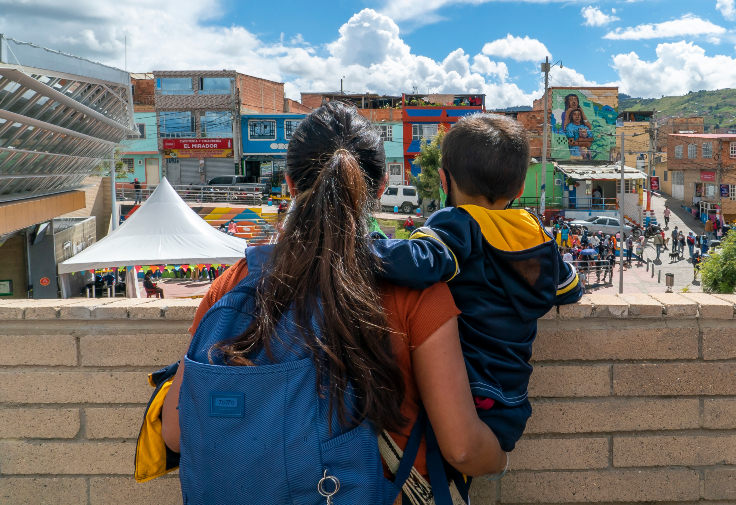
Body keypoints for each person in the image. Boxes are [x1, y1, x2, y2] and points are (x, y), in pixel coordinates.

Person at [146, 102, 507, 504]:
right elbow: (462, 448)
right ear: (382, 186)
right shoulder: (418, 293)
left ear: (289, 183)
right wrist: (500, 460)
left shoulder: (235, 284)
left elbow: (175, 432)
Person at [370, 113, 583, 460]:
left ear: (443, 180)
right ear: (518, 189)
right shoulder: (533, 232)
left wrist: (362, 246)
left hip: (466, 397)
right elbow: (569, 287)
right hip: (510, 404)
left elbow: (421, 261)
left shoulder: (458, 224)